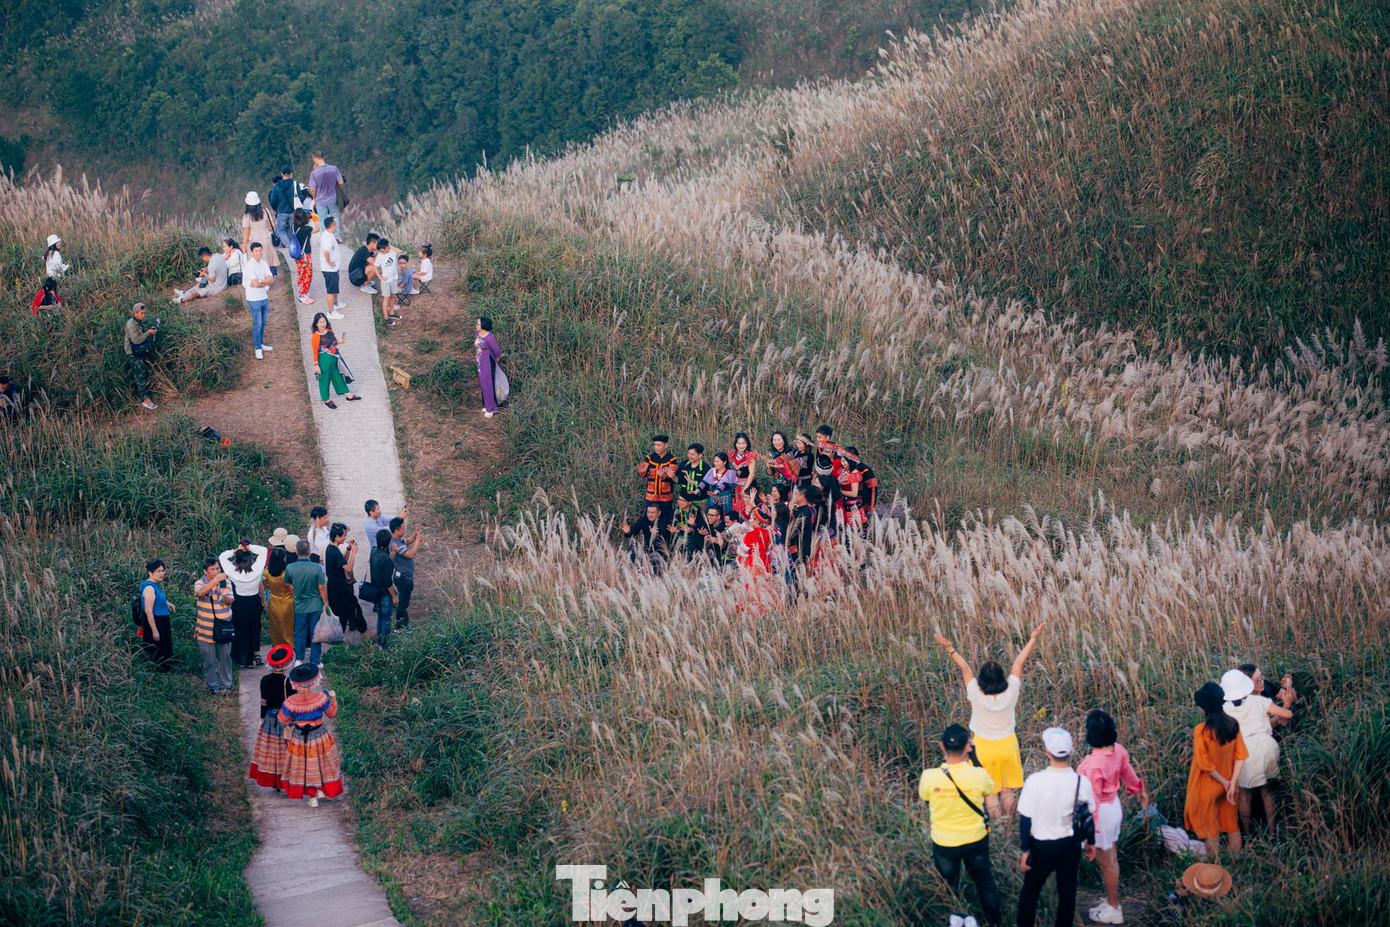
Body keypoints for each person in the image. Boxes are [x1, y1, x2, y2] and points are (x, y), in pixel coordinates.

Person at [934, 623, 1046, 818]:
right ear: (1002, 678)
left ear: (981, 680)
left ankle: (999, 825)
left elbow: (965, 668)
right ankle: (1008, 819)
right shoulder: (1011, 690)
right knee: (1007, 790)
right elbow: (1019, 663)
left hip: (983, 747)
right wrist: (1033, 638)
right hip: (1008, 745)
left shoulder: (976, 693)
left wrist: (949, 648)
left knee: (991, 792)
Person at [919, 724, 1001, 927]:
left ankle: (953, 919)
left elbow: (925, 797)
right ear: (968, 747)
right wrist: (975, 759)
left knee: (948, 886)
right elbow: (989, 791)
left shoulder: (929, 776)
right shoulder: (979, 775)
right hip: (975, 839)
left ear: (942, 746)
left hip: (944, 842)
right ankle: (994, 922)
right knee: (984, 881)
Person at [1016, 728, 1097, 927]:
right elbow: (1088, 815)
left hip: (1041, 846)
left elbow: (1025, 819)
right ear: (1071, 751)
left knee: (1030, 891)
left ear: (1047, 752)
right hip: (1070, 845)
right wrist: (1091, 842)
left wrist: (1025, 849)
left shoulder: (1035, 781)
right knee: (1067, 892)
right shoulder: (1081, 781)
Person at [1077, 710, 1149, 924]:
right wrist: (1139, 790)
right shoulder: (1118, 750)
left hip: (1101, 815)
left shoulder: (1095, 764)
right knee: (1111, 858)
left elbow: (1093, 801)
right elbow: (1128, 772)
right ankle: (1110, 900)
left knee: (1107, 863)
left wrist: (1090, 832)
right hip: (1113, 808)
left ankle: (1113, 907)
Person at [1221, 668, 1294, 833]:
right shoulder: (1259, 700)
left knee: (1245, 795)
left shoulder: (1224, 710)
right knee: (1267, 792)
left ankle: (1247, 833)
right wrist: (1287, 704)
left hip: (1242, 751)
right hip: (1266, 746)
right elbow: (1287, 714)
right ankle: (1273, 832)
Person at [1184, 682, 1248, 857]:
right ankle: (1236, 861)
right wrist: (1232, 783)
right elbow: (1241, 756)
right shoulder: (1233, 725)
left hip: (1208, 786)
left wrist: (1224, 782)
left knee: (1211, 829)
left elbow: (1204, 764)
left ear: (1204, 708)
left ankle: (1215, 864)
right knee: (1231, 824)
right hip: (1230, 785)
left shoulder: (1201, 731)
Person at [277, 663, 344, 806]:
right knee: (322, 762)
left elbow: (283, 719)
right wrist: (333, 698)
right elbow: (332, 713)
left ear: (296, 683)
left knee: (304, 764)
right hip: (319, 734)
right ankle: (321, 791)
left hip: (299, 737)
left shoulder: (290, 701)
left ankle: (313, 797)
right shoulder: (320, 697)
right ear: (313, 681)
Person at [249, 644, 296, 790]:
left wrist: (262, 719)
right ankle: (284, 779)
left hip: (269, 718)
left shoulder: (264, 679)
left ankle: (274, 779)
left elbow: (263, 701)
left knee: (271, 749)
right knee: (284, 749)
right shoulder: (287, 682)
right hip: (284, 719)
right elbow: (292, 703)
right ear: (287, 664)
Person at [219, 540, 269, 668]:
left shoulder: (233, 571)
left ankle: (244, 659)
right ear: (251, 560)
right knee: (254, 627)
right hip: (254, 600)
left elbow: (222, 557)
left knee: (242, 629)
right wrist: (249, 547)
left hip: (240, 601)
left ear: (237, 560)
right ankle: (253, 656)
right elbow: (263, 550)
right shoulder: (256, 569)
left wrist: (234, 551)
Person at [193, 556, 235, 694]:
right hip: (205, 628)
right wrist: (215, 581)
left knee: (225, 658)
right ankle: (212, 686)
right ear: (205, 571)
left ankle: (226, 685)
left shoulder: (226, 582)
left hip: (223, 627)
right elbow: (200, 593)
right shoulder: (200, 583)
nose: (216, 571)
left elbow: (230, 601)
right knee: (208, 659)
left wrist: (224, 595)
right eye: (213, 569)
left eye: (218, 568)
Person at [283, 539, 328, 665]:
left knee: (299, 633)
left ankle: (299, 658)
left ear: (296, 552)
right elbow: (322, 587)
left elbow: (286, 583)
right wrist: (326, 603)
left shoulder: (290, 568)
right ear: (309, 551)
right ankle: (315, 660)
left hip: (300, 605)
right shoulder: (317, 568)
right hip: (315, 604)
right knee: (316, 633)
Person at [310, 312, 360, 408]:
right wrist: (316, 365)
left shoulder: (329, 331)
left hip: (334, 359)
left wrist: (340, 341)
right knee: (324, 379)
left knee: (338, 376)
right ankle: (326, 399)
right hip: (324, 361)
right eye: (320, 322)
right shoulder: (316, 336)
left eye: (324, 321)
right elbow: (315, 351)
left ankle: (348, 394)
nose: (322, 324)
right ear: (316, 324)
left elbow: (332, 342)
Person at [324, 523, 366, 636]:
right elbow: (348, 567)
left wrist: (348, 549)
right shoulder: (334, 551)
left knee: (343, 612)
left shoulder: (331, 549)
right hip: (339, 586)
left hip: (335, 586)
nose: (345, 538)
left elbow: (342, 562)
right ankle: (364, 631)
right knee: (353, 607)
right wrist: (354, 553)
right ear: (337, 537)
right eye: (344, 536)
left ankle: (340, 635)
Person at [138, 559, 174, 670]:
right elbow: (148, 611)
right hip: (156, 622)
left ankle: (165, 671)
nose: (161, 573)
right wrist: (154, 630)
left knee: (164, 649)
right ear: (150, 573)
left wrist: (167, 603)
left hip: (162, 621)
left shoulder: (155, 585)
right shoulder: (149, 588)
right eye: (158, 571)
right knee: (157, 651)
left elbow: (156, 599)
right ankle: (157, 673)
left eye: (163, 571)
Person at [123, 302, 158, 411]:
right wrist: (148, 333)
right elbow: (136, 340)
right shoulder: (131, 324)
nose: (144, 315)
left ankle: (145, 396)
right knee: (140, 376)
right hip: (133, 353)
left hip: (138, 351)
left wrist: (150, 330)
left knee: (142, 373)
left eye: (144, 313)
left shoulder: (137, 321)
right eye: (141, 313)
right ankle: (145, 400)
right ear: (135, 313)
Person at [243, 242, 275, 359]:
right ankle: (257, 348)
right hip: (253, 298)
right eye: (256, 251)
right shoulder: (250, 265)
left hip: (263, 296)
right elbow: (255, 283)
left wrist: (261, 282)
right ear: (252, 252)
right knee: (258, 323)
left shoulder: (264, 263)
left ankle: (261, 343)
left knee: (264, 321)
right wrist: (264, 283)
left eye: (260, 250)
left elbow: (271, 279)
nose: (258, 253)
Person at [389, 516, 421, 630]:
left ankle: (404, 624)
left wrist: (415, 535)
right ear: (396, 530)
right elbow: (410, 554)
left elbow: (407, 541)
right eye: (403, 529)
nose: (404, 530)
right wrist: (418, 541)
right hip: (404, 578)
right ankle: (400, 627)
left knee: (403, 602)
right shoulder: (396, 545)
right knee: (402, 604)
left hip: (400, 576)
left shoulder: (397, 540)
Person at [638, 435, 678, 520]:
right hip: (651, 495)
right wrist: (642, 472)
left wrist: (662, 476)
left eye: (659, 445)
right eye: (655, 445)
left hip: (666, 496)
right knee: (649, 518)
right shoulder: (649, 458)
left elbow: (672, 476)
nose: (656, 447)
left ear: (665, 445)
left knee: (665, 519)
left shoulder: (672, 459)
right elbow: (643, 473)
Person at [620, 503, 670, 571]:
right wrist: (628, 531)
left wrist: (656, 534)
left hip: (660, 550)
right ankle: (630, 568)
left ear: (659, 513)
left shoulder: (664, 521)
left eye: (652, 513)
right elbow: (634, 530)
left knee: (656, 565)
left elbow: (664, 532)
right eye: (648, 512)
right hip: (646, 547)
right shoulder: (644, 520)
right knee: (632, 544)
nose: (650, 515)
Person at [263, 544, 296, 648]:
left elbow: (266, 585)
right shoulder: (285, 574)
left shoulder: (267, 571)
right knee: (288, 628)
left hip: (273, 602)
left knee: (275, 627)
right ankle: (289, 647)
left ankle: (277, 646)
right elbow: (292, 589)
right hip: (287, 603)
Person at [369, 528, 397, 645]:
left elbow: (384, 564)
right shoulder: (385, 559)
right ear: (388, 542)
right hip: (385, 593)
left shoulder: (374, 553)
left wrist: (393, 552)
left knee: (380, 617)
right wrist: (394, 596)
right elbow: (388, 582)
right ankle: (385, 645)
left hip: (375, 591)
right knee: (386, 619)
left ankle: (380, 642)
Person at [240, 192, 277, 275]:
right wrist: (267, 231)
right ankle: (269, 276)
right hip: (266, 238)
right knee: (268, 259)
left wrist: (244, 245)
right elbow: (273, 225)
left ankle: (259, 278)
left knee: (256, 261)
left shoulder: (246, 216)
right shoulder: (265, 211)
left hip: (252, 241)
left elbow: (246, 232)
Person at [308, 152, 345, 232]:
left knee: (322, 219)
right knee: (335, 217)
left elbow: (312, 189)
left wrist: (314, 198)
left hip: (320, 200)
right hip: (332, 198)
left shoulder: (314, 173)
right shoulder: (334, 168)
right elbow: (341, 182)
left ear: (315, 159)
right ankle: (337, 235)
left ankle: (326, 235)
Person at [475, 316, 502, 416]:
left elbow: (497, 351)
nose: (476, 325)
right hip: (480, 362)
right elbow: (478, 344)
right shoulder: (478, 334)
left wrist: (495, 358)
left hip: (488, 362)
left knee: (488, 383)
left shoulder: (490, 338)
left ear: (483, 326)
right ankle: (486, 405)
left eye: (478, 324)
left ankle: (491, 408)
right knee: (483, 383)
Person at [268, 165, 298, 254]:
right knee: (291, 229)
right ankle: (294, 245)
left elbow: (272, 201)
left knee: (281, 229)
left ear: (281, 174)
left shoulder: (276, 187)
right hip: (292, 211)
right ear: (291, 174)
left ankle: (288, 245)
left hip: (281, 212)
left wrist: (277, 208)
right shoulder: (294, 184)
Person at [729, 432, 758, 521]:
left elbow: (752, 474)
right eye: (739, 443)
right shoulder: (733, 454)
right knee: (737, 504)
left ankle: (749, 523)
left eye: (743, 443)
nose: (741, 446)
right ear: (735, 444)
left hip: (748, 485)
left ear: (747, 444)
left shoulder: (750, 455)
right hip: (737, 485)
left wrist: (745, 489)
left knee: (747, 504)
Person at [700, 452, 739, 517]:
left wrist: (716, 492)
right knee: (711, 516)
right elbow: (704, 482)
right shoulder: (712, 471)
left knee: (726, 517)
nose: (715, 463)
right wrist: (697, 490)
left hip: (726, 501)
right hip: (713, 500)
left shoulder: (731, 473)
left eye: (717, 461)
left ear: (724, 462)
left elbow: (725, 485)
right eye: (714, 461)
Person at [319, 216, 343, 319]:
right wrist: (329, 262)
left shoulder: (328, 234)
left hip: (333, 269)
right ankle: (331, 311)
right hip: (329, 269)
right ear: (332, 226)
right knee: (331, 290)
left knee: (334, 287)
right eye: (336, 224)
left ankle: (335, 302)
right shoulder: (328, 238)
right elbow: (326, 251)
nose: (337, 226)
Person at [373, 237, 401, 321]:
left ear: (387, 247)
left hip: (394, 278)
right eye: (380, 251)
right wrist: (379, 276)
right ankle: (386, 317)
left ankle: (391, 313)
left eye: (383, 250)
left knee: (393, 296)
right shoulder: (380, 256)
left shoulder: (393, 252)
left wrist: (389, 246)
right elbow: (375, 266)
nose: (382, 252)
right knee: (386, 298)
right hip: (385, 281)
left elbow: (400, 251)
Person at [291, 208, 314, 305]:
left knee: (301, 273)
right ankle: (303, 295)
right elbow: (317, 228)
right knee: (307, 274)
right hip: (305, 255)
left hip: (297, 254)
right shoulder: (307, 229)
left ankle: (303, 292)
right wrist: (315, 217)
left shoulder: (294, 226)